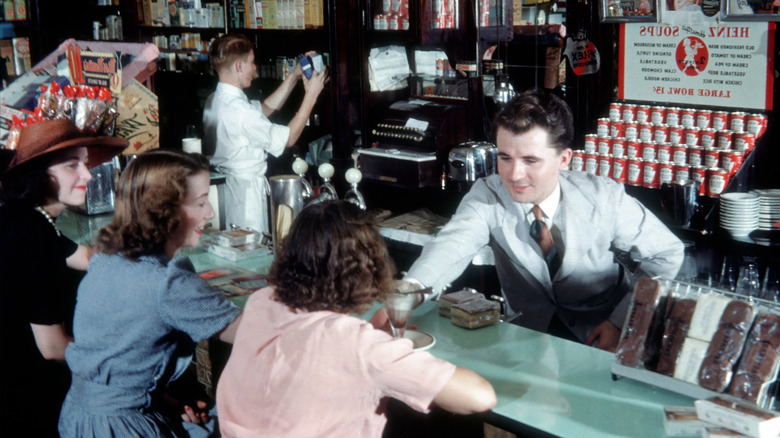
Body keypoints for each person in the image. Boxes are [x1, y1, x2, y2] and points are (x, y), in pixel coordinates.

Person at [405, 89, 684, 352]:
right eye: (504, 158)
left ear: (564, 159)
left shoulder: (603, 197)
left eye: (531, 160)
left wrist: (621, 321)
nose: (514, 175)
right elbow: (451, 247)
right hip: (528, 341)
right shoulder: (487, 195)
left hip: (605, 339)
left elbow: (667, 253)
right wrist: (407, 295)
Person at [216, 200, 496, 438]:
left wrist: (371, 340)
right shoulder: (358, 345)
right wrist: (379, 348)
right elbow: (480, 397)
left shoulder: (262, 301)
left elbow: (310, 355)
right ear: (369, 266)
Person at [58, 149, 243, 437]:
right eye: (201, 202)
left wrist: (168, 401)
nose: (210, 213)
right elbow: (255, 335)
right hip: (124, 427)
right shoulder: (169, 285)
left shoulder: (106, 260)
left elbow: (121, 367)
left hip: (80, 418)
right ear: (164, 210)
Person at [0, 119, 128, 437]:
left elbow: (85, 256)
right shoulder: (30, 233)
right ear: (39, 174)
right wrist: (122, 367)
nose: (88, 174)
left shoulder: (28, 218)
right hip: (28, 401)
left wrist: (150, 245)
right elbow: (54, 347)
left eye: (85, 164)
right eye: (73, 165)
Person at [203, 33, 328, 234]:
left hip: (224, 191)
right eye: (251, 63)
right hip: (245, 198)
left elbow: (262, 110)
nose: (254, 68)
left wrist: (294, 76)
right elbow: (288, 139)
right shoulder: (240, 111)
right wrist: (311, 95)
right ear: (238, 66)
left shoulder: (215, 99)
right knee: (249, 254)